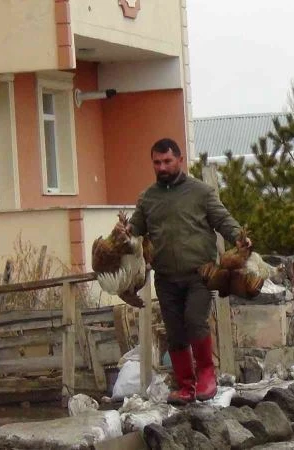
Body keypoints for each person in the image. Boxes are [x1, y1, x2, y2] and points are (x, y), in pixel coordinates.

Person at [116, 137, 251, 405]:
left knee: (194, 320)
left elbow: (222, 219)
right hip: (166, 277)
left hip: (200, 273)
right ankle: (186, 385)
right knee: (175, 330)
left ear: (179, 160)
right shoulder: (148, 198)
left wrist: (238, 237)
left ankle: (206, 376)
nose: (162, 167)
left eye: (167, 161)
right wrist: (123, 232)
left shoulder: (200, 192)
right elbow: (136, 229)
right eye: (157, 162)